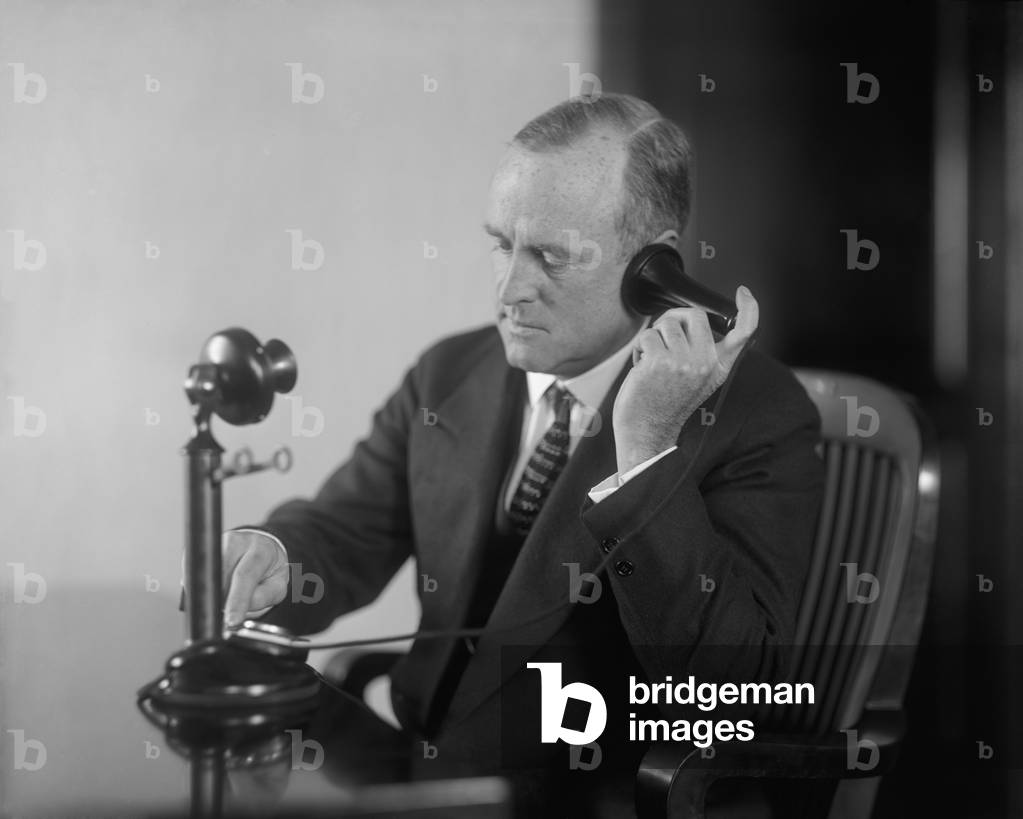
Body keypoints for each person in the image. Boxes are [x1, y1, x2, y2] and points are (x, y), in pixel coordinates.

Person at [221, 93, 824, 814]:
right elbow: (346, 529)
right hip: (425, 777)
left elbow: (737, 686)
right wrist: (277, 554)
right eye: (501, 244)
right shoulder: (448, 375)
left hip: (593, 795)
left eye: (549, 256)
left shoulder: (759, 413)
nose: (508, 290)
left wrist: (646, 451)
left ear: (653, 266)